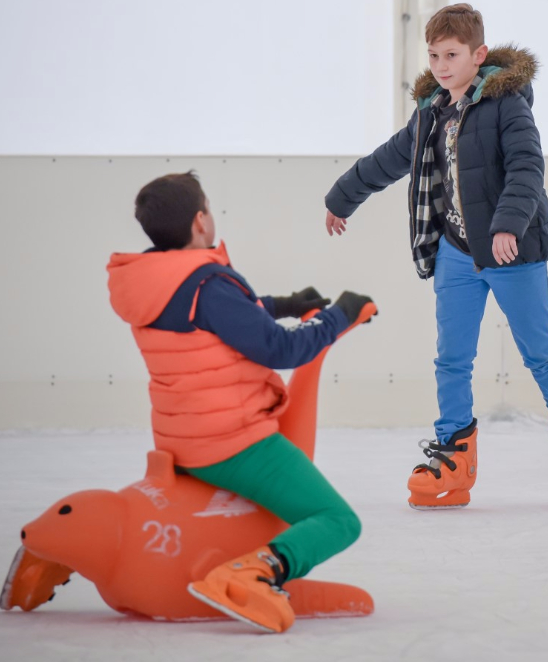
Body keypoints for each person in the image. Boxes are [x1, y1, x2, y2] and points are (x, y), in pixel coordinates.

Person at [324, 3, 548, 508]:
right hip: (456, 252)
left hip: (513, 251)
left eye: (451, 55)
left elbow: (526, 168)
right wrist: (342, 198)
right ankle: (454, 455)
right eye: (433, 55)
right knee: (452, 358)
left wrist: (507, 224)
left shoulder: (507, 105)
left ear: (478, 55)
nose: (441, 66)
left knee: (540, 352)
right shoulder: (431, 112)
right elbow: (389, 159)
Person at [107, 171, 372, 633]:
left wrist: (283, 304)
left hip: (178, 441)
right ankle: (253, 574)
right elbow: (282, 350)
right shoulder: (207, 284)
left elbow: (215, 319)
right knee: (337, 520)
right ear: (200, 221)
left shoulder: (153, 282)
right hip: (233, 443)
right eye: (208, 208)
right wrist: (337, 316)